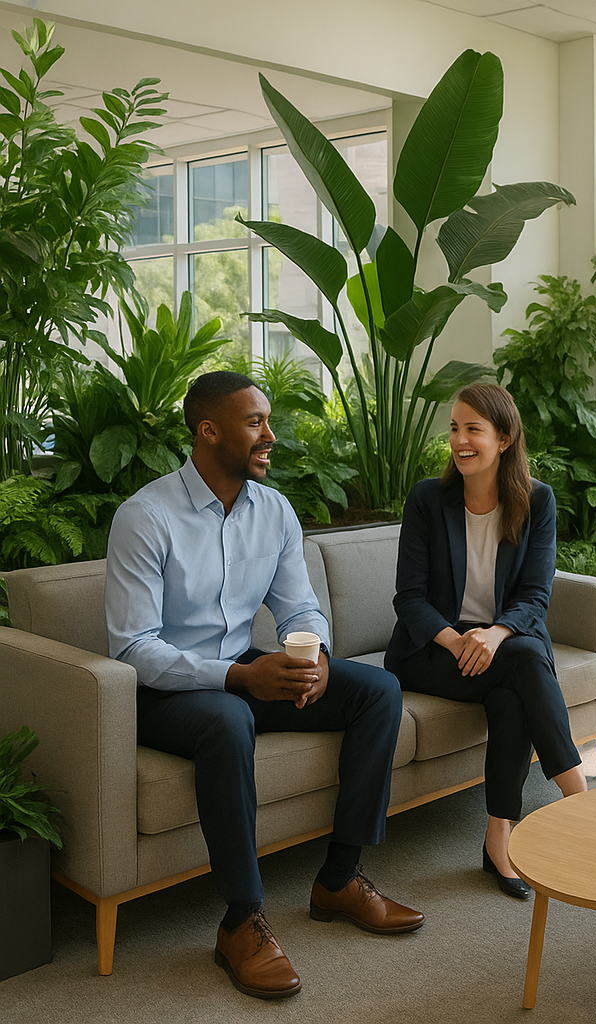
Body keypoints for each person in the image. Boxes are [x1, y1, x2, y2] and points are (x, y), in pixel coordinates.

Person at [106, 371, 422, 1002]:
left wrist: (316, 656)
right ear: (208, 431)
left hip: (240, 667)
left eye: (267, 422)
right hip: (164, 689)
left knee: (377, 691)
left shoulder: (272, 510)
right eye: (255, 423)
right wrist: (241, 676)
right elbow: (133, 648)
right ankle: (241, 921)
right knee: (229, 719)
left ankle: (338, 878)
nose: (269, 436)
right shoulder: (145, 517)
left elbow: (299, 606)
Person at [385, 382, 587, 901]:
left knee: (511, 685)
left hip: (504, 645)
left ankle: (499, 839)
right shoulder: (428, 499)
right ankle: (580, 799)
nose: (460, 440)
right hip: (431, 650)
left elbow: (535, 595)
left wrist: (495, 634)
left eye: (473, 428)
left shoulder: (536, 500)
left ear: (504, 437)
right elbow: (409, 598)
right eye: (455, 428)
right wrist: (458, 642)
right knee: (523, 662)